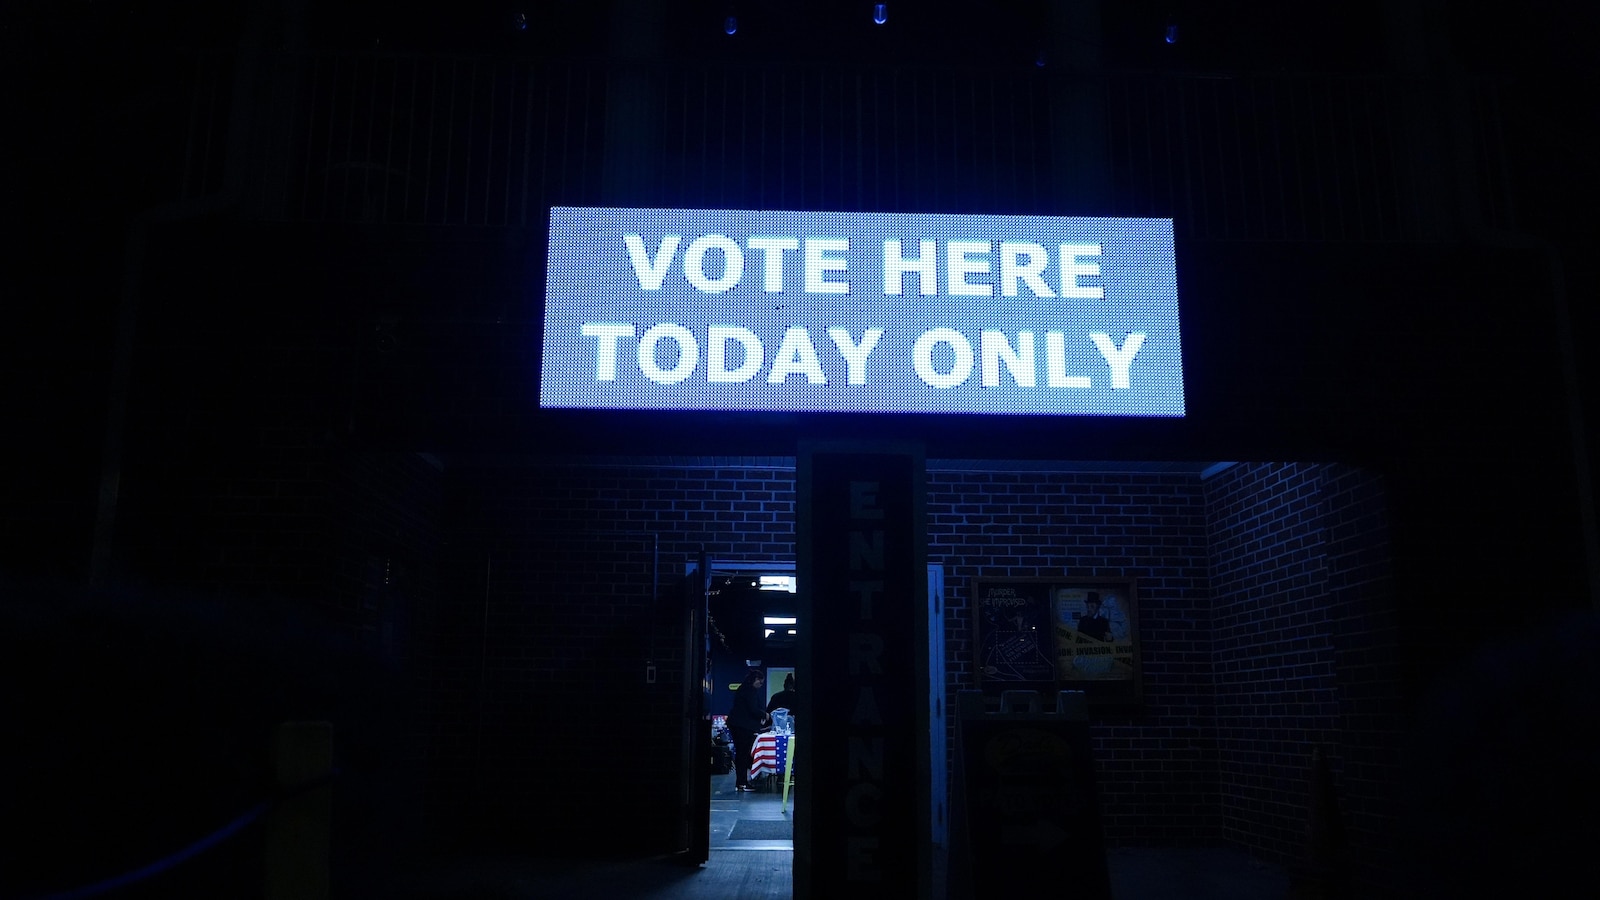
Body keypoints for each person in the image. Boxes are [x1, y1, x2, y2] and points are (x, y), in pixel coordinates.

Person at [726, 668, 770, 792]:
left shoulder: (743, 689)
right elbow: (753, 709)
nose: (760, 686)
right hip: (742, 726)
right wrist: (765, 715)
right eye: (760, 683)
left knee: (741, 754)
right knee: (743, 754)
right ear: (755, 679)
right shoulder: (750, 691)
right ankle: (742, 782)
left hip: (737, 724)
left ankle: (741, 782)